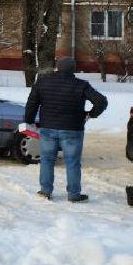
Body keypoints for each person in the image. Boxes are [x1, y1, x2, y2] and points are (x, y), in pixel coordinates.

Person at [23, 56, 107, 202]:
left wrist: (29, 121)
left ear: (57, 67)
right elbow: (101, 101)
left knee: (47, 160)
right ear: (73, 69)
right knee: (73, 162)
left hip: (48, 127)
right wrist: (90, 114)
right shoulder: (81, 85)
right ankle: (74, 195)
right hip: (73, 129)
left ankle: (45, 191)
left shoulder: (42, 83)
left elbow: (31, 103)